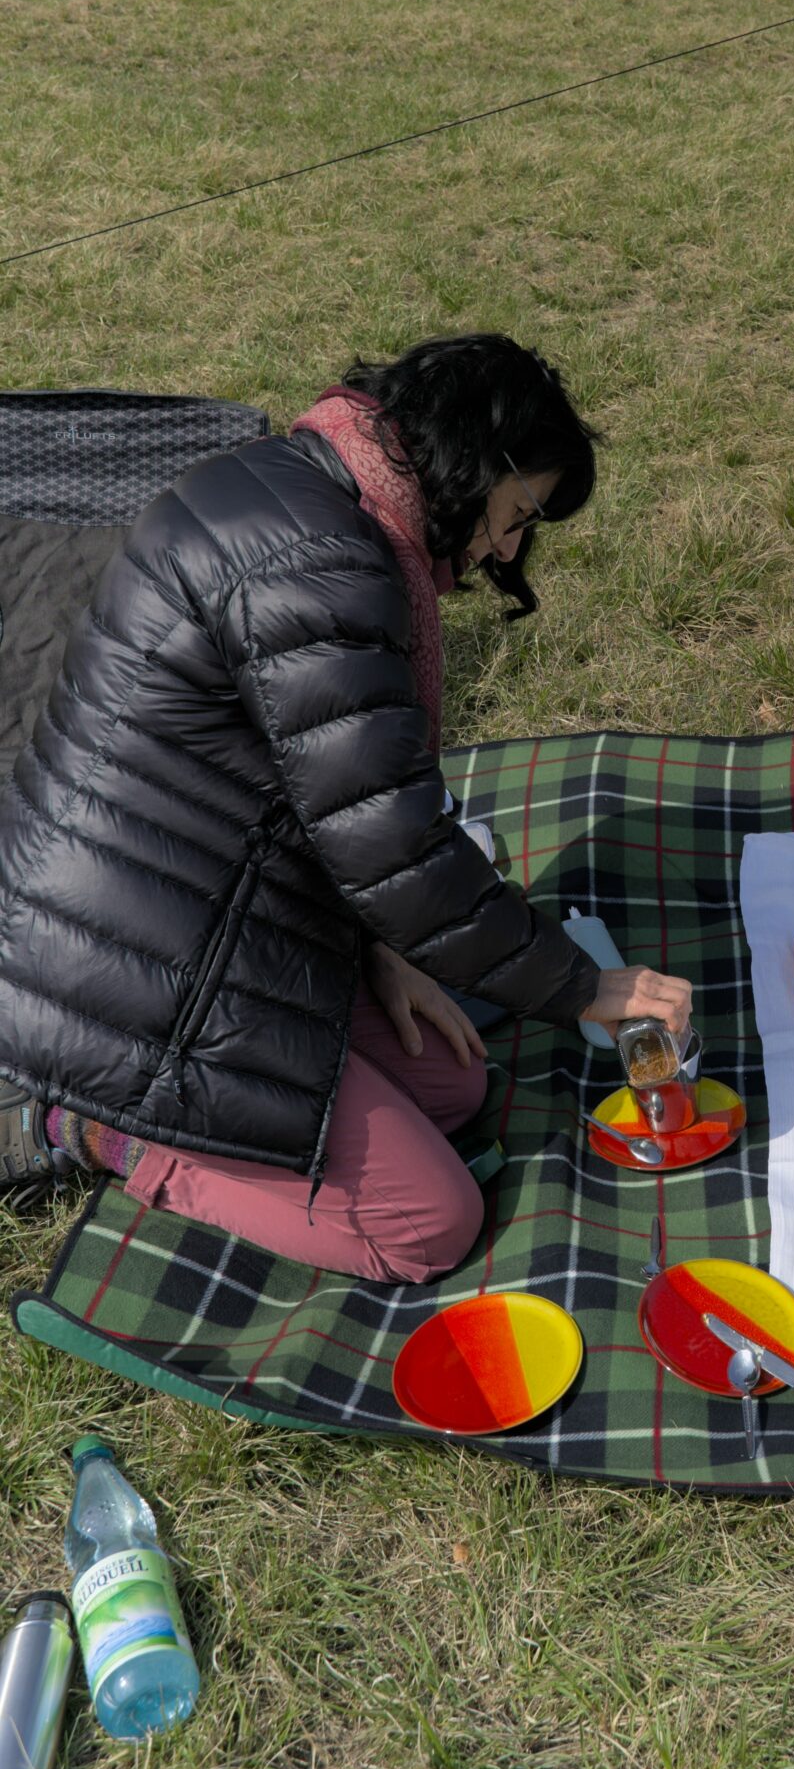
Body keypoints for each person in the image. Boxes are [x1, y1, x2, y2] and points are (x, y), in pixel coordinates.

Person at [0, 334, 692, 1282]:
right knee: (427, 1225)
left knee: (452, 1084)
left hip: (194, 897)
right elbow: (394, 850)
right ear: (470, 463)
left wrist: (378, 946)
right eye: (516, 513)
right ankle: (85, 1127)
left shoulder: (311, 490)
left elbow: (333, 797)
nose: (506, 548)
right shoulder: (323, 566)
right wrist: (584, 987)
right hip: (124, 970)